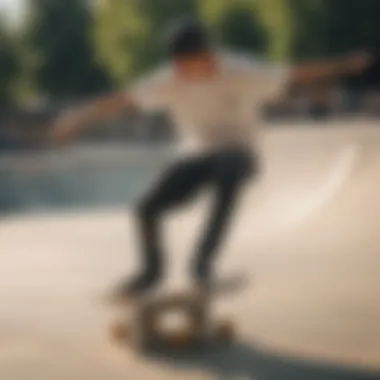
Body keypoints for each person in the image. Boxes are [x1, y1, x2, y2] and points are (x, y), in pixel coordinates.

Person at [51, 19, 372, 299]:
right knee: (146, 209)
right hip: (198, 155)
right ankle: (150, 274)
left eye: (200, 64)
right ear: (176, 65)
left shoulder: (240, 68)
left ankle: (201, 265)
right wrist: (77, 118)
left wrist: (344, 65)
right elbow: (122, 100)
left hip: (240, 154)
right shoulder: (166, 80)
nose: (194, 73)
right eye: (185, 68)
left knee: (228, 169)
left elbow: (294, 73)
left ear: (210, 54)